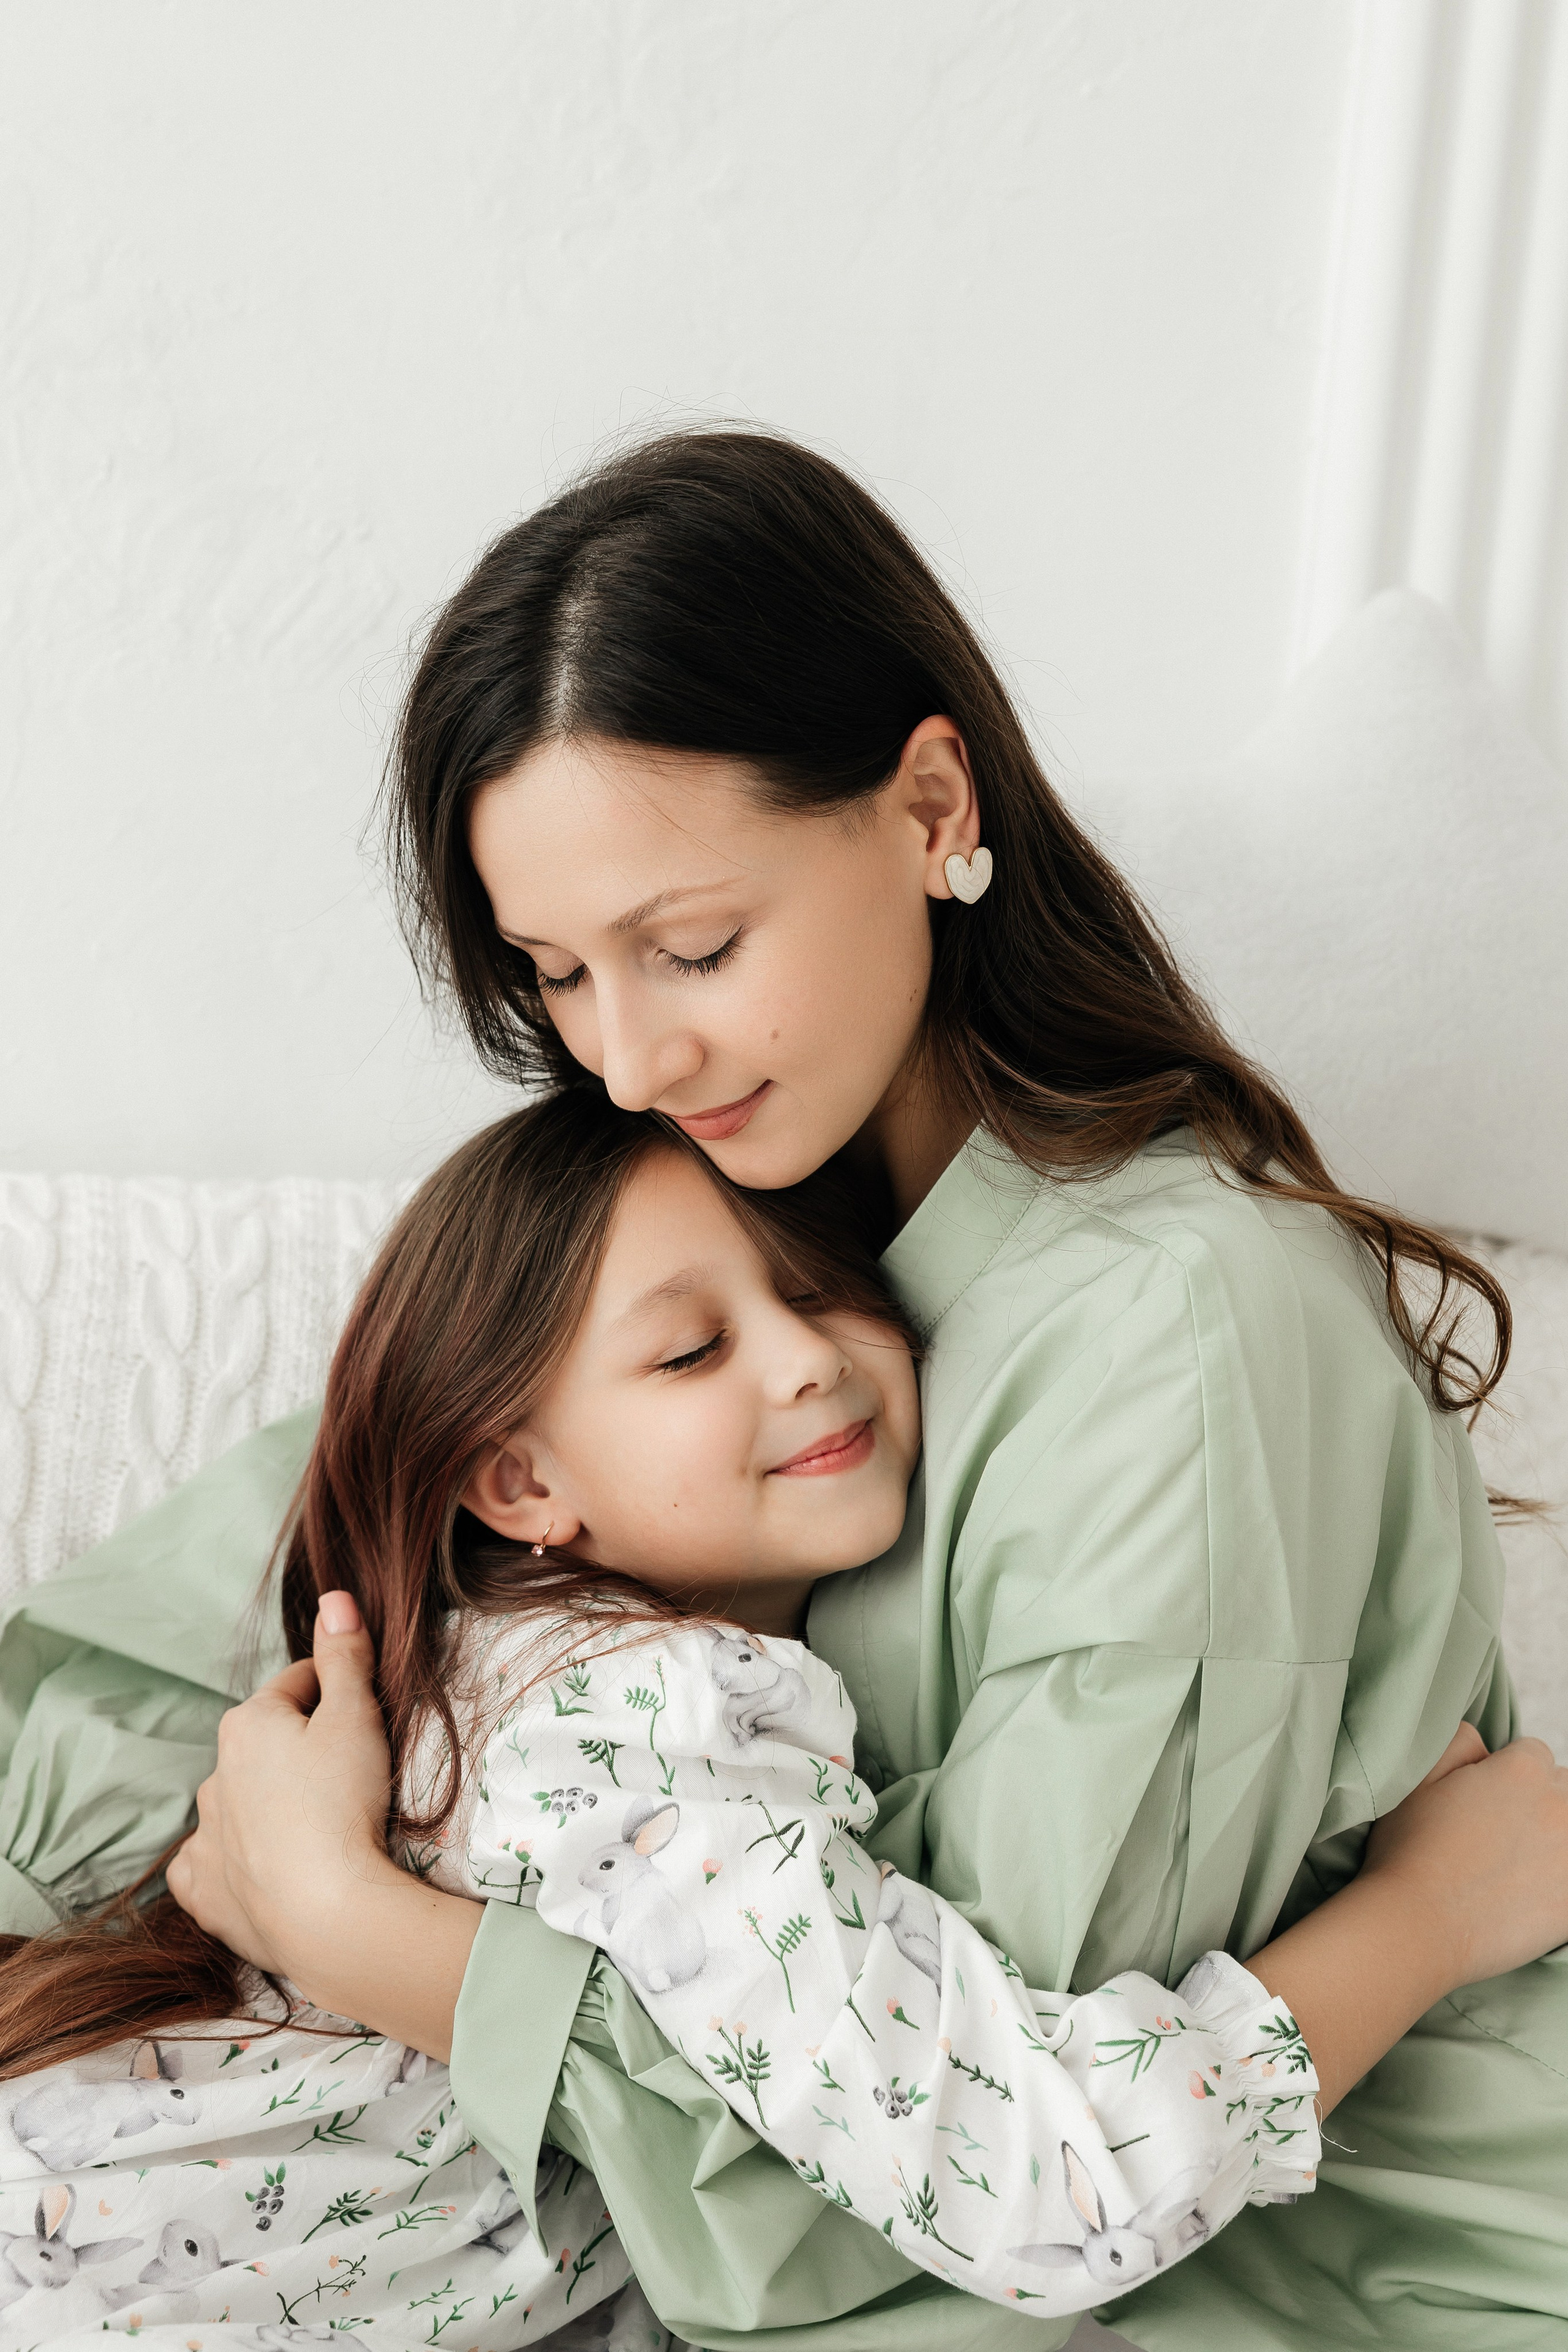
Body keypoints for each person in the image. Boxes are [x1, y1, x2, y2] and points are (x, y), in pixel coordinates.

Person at [3, 429, 1564, 2350]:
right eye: (560, 975)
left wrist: (368, 1934)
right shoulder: (722, 1207)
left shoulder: (1176, 1332)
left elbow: (936, 2188)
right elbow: (249, 1604)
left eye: (694, 946)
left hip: (1276, 2279)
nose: (633, 1055)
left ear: (927, 808)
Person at [6, 1093, 1565, 2350]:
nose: (809, 1354)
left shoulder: (505, 1687)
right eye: (691, 1349)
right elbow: (1042, 2184)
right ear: (519, 1483)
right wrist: (1431, 1912)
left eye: (821, 1288)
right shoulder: (643, 1726)